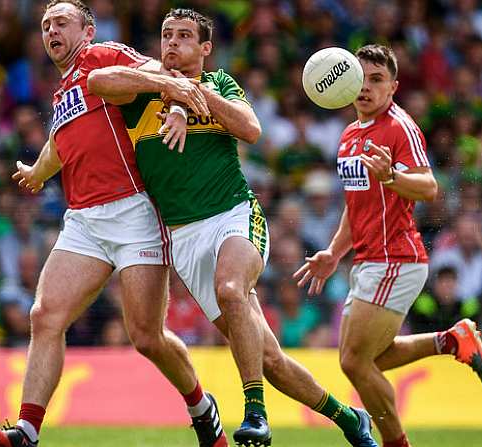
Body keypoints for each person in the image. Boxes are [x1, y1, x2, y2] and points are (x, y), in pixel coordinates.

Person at [87, 9, 377, 447]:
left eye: (184, 36)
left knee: (229, 288)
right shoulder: (141, 89)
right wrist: (167, 85)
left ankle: (255, 413)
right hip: (184, 238)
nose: (172, 44)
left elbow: (251, 128)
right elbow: (98, 83)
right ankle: (350, 419)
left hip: (232, 215)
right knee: (270, 359)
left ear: (205, 48)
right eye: (166, 35)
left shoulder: (220, 83)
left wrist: (194, 94)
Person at [0, 2, 224, 447]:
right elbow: (60, 142)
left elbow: (168, 75)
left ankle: (203, 409)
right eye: (46, 25)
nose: (52, 30)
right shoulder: (64, 86)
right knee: (45, 315)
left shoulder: (103, 54)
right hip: (84, 219)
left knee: (146, 337)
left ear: (87, 30)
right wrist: (37, 170)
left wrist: (175, 97)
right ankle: (26, 432)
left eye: (62, 23)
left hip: (134, 212)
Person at [294, 44, 482, 447]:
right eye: (360, 78)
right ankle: (451, 340)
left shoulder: (399, 126)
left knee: (353, 361)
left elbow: (429, 186)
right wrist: (334, 253)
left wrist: (391, 178)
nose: (366, 87)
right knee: (374, 359)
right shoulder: (350, 135)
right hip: (368, 261)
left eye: (377, 79)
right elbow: (355, 204)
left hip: (395, 258)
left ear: (394, 87)